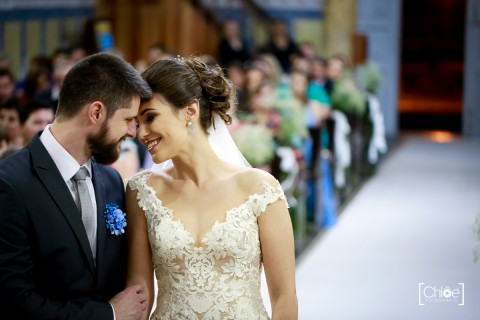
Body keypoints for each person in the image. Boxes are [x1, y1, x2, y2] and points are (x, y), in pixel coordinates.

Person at [126, 56, 298, 319]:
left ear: (190, 111)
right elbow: (140, 294)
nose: (142, 133)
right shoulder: (142, 191)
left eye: (150, 117)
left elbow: (284, 297)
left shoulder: (259, 189)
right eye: (138, 123)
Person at [0, 52, 152, 319]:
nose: (132, 132)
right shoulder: (10, 183)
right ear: (96, 112)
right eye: (128, 119)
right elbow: (15, 299)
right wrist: (108, 315)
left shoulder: (111, 181)